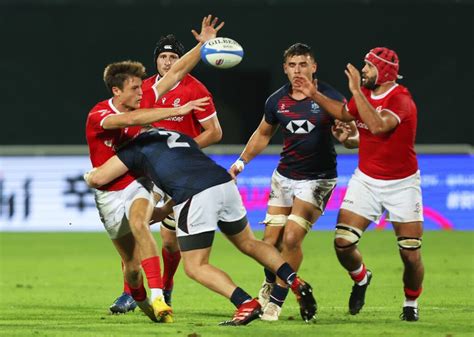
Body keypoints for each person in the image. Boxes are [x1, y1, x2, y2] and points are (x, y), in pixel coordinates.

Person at [84, 128, 318, 325]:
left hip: (195, 194)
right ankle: (295, 282)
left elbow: (100, 178)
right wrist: (165, 210)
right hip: (224, 183)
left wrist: (88, 176)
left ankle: (245, 303)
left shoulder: (134, 148)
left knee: (195, 266)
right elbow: (182, 168)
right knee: (249, 242)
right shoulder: (177, 135)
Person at [85, 15, 224, 322]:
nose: (143, 91)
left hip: (140, 179)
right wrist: (175, 109)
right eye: (135, 88)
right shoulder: (99, 115)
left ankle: (160, 297)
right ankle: (136, 294)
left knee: (140, 223)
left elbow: (177, 72)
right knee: (131, 266)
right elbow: (130, 121)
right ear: (117, 92)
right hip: (109, 192)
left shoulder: (148, 96)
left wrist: (203, 45)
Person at [228, 43, 358, 321]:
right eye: (292, 65)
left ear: (314, 67)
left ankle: (276, 301)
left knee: (291, 237)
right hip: (284, 178)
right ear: (285, 69)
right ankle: (270, 280)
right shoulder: (276, 101)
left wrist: (349, 140)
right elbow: (263, 134)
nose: (298, 70)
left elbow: (354, 135)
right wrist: (240, 163)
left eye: (303, 64)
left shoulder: (330, 97)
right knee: (269, 241)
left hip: (318, 179)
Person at [293, 47, 424, 321]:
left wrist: (354, 90)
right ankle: (362, 278)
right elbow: (345, 114)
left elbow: (377, 126)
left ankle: (411, 302)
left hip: (402, 184)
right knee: (342, 243)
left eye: (368, 66)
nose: (363, 70)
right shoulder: (363, 95)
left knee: (410, 254)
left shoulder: (401, 98)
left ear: (384, 71)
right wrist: (315, 95)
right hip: (366, 181)